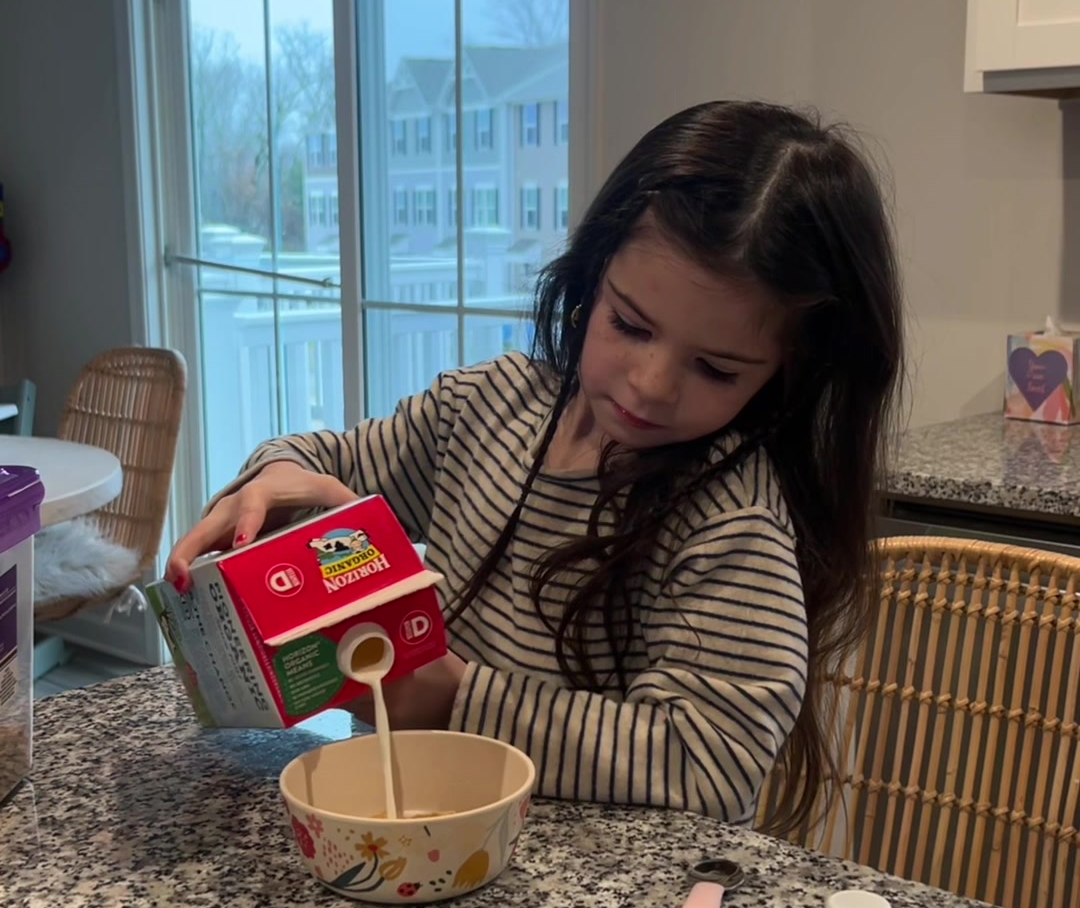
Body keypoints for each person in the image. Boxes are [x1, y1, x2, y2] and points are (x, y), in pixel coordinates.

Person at [169, 101, 903, 831]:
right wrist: (274, 483)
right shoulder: (486, 408)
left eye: (716, 368)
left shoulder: (730, 520)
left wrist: (456, 699)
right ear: (590, 278)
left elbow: (712, 759)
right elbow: (323, 465)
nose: (651, 384)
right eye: (630, 325)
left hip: (609, 886)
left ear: (786, 375)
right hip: (426, 838)